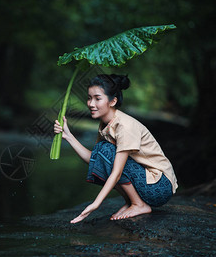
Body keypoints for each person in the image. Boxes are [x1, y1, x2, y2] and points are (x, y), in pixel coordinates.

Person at [54, 74, 178, 224]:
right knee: (103, 150)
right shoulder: (106, 124)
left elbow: (117, 172)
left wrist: (95, 204)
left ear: (113, 101)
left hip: (160, 186)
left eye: (97, 98)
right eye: (89, 98)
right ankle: (131, 202)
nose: (91, 103)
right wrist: (68, 136)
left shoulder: (124, 126)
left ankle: (139, 204)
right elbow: (96, 160)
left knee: (106, 150)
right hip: (147, 183)